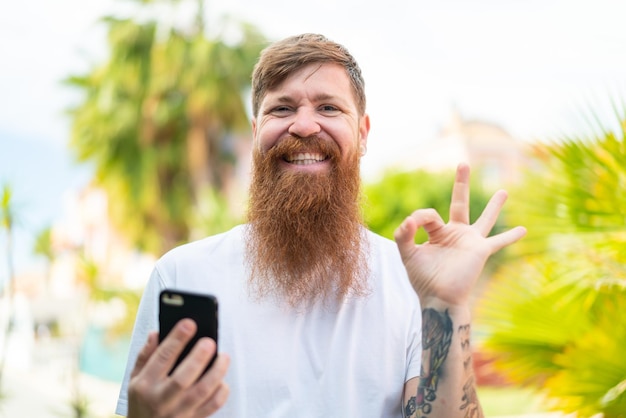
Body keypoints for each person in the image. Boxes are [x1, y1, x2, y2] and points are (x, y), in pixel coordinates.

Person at [115, 33, 526, 418]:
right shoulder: (182, 274)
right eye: (282, 108)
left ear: (363, 134)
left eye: (329, 107)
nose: (305, 125)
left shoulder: (410, 279)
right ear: (257, 133)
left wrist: (446, 305)